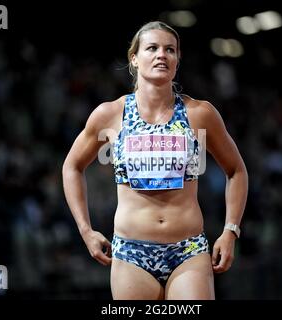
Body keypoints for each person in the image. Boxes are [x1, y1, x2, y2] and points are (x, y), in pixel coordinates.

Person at [62, 21, 248, 300]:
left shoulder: (199, 114)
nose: (162, 55)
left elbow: (236, 170)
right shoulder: (110, 114)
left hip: (188, 252)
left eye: (170, 50)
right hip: (131, 253)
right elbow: (72, 166)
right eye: (152, 48)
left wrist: (230, 230)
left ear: (177, 59)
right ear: (134, 59)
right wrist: (85, 230)